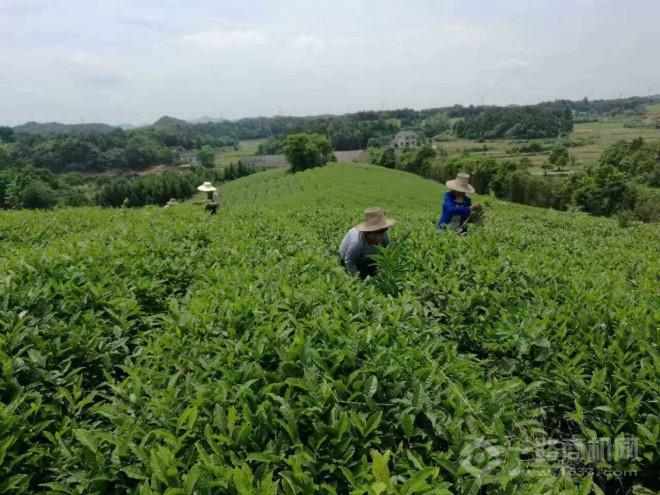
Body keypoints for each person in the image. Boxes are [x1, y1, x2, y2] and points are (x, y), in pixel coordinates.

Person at [339, 207, 395, 279]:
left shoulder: (383, 234)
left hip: (368, 257)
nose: (379, 237)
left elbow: (387, 253)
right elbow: (350, 262)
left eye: (382, 231)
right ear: (367, 232)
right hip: (348, 259)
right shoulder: (356, 243)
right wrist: (359, 279)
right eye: (375, 233)